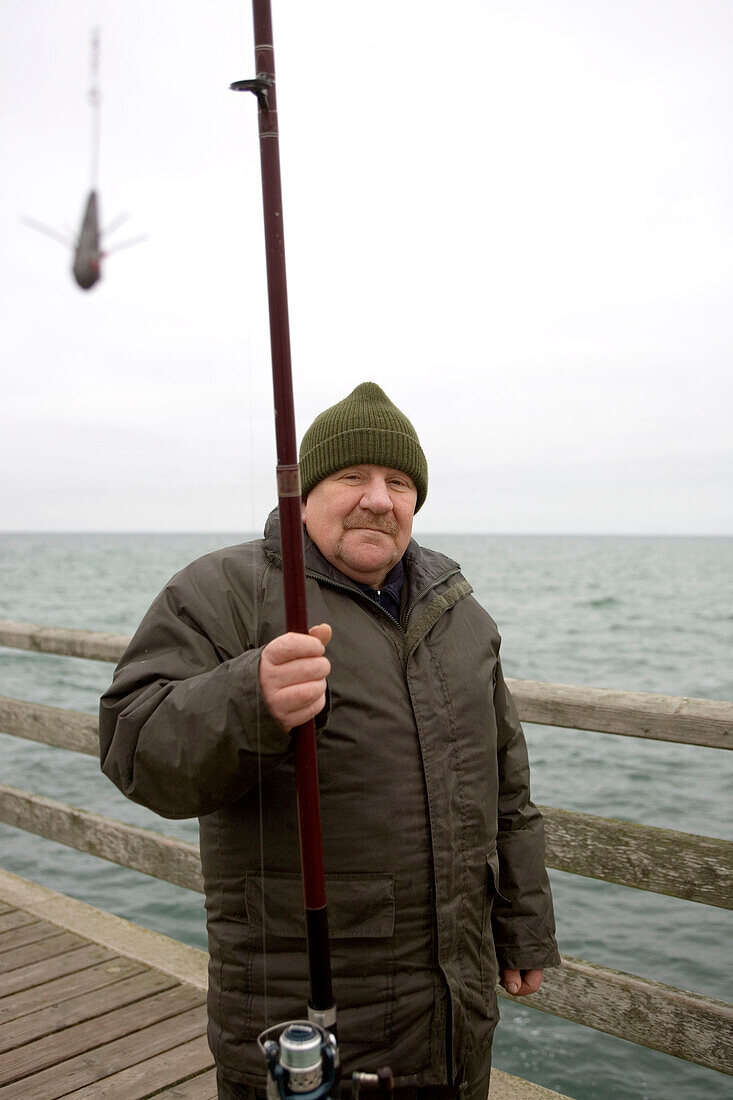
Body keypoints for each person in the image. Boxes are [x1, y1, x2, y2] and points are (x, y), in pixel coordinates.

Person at [99, 382, 560, 1100]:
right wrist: (247, 696)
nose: (378, 498)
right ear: (303, 495)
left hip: (454, 1012)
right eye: (352, 477)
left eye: (398, 482)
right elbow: (134, 748)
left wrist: (524, 923)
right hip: (300, 1019)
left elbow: (508, 790)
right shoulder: (220, 590)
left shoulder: (463, 618)